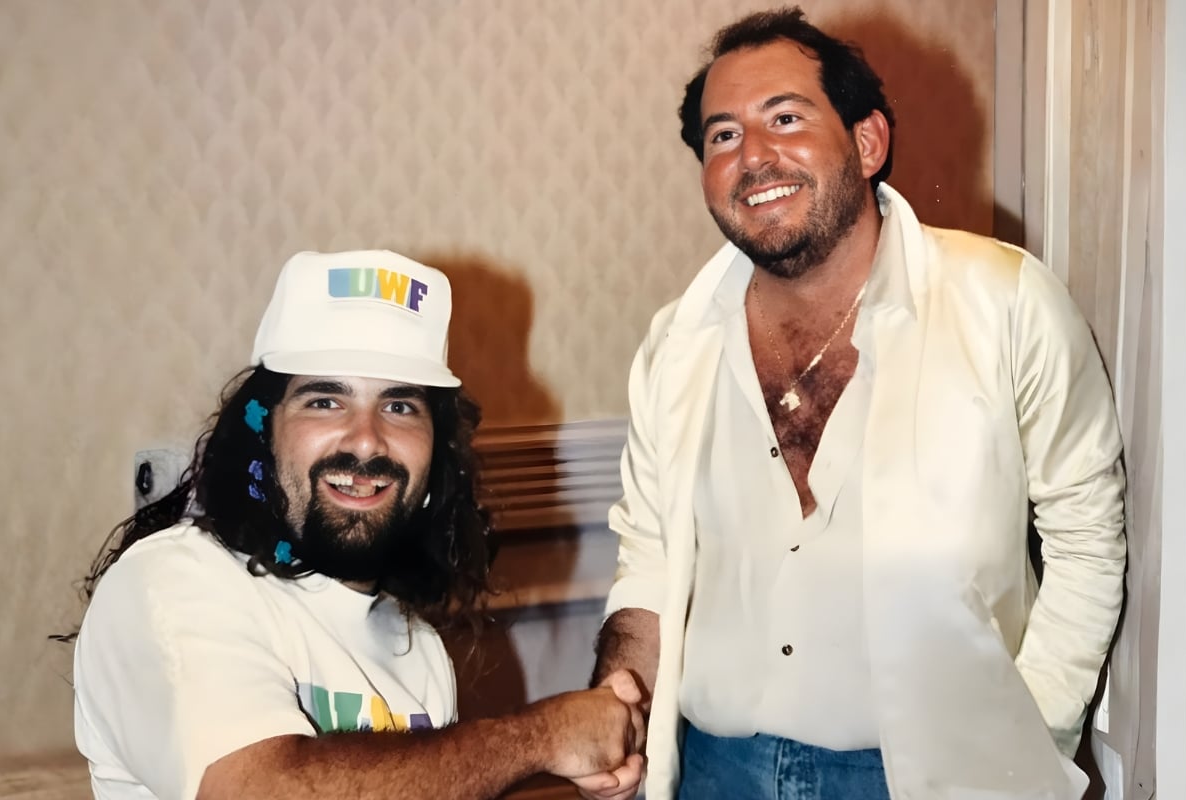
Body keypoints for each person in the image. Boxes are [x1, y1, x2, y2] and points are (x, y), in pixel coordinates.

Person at [583, 8, 1126, 800]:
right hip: (718, 770)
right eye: (722, 136)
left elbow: (1085, 542)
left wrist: (1026, 740)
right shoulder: (677, 342)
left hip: (940, 774)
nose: (753, 156)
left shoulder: (1005, 304)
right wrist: (619, 707)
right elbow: (649, 557)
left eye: (786, 117)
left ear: (867, 143)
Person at [72, 250, 645, 800]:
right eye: (324, 401)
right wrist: (540, 737)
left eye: (399, 406)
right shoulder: (172, 583)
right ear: (262, 432)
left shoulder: (414, 648)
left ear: (437, 455)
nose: (367, 438)